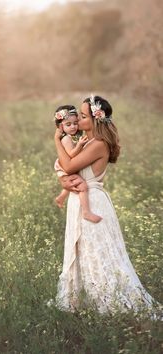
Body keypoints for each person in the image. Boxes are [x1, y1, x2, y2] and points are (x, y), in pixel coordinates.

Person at [53, 94, 160, 314]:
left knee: (98, 253)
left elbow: (70, 166)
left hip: (92, 201)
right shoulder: (86, 141)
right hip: (80, 199)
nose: (79, 120)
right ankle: (82, 301)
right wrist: (63, 180)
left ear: (95, 119)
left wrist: (56, 140)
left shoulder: (98, 144)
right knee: (83, 252)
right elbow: (66, 170)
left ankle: (105, 301)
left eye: (83, 116)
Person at [54, 105, 102, 223]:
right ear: (61, 127)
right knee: (82, 186)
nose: (73, 127)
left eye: (75, 123)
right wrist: (80, 145)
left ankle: (61, 197)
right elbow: (70, 155)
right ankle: (86, 212)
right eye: (68, 124)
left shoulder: (73, 137)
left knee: (73, 182)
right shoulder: (66, 139)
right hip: (64, 168)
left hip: (64, 168)